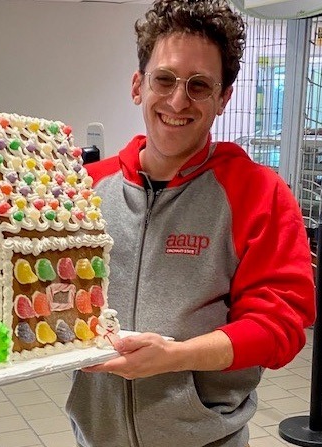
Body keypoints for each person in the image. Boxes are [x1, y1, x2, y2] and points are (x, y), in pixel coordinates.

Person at [65, 1, 316, 446]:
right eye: (164, 79)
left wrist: (177, 357)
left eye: (199, 86)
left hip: (205, 438)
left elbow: (281, 325)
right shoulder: (84, 189)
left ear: (223, 98)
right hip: (96, 434)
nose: (178, 101)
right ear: (138, 85)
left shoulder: (259, 195)